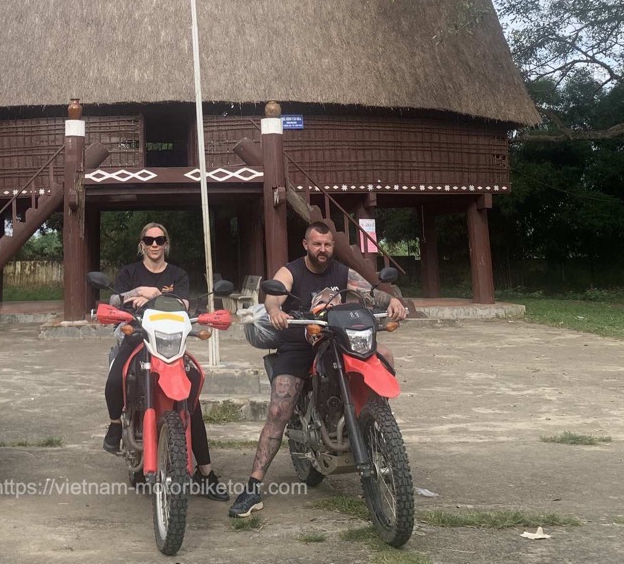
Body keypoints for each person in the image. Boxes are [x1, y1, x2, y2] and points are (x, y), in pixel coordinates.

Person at [229, 221, 407, 518]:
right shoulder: (292, 271)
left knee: (384, 355)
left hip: (336, 339)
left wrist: (393, 301)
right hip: (299, 342)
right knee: (278, 409)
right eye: (317, 244)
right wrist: (275, 312)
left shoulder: (340, 271)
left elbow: (369, 290)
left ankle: (377, 430)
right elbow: (274, 296)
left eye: (327, 245)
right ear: (306, 245)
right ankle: (253, 486)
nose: (322, 250)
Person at [102, 222, 227, 501]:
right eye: (149, 239)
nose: (155, 244)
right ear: (142, 243)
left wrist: (155, 295)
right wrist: (137, 291)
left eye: (160, 239)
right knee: (115, 377)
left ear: (166, 243)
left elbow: (185, 304)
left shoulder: (178, 274)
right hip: (137, 337)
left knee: (191, 397)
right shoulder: (129, 272)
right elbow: (114, 299)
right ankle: (114, 425)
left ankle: (205, 473)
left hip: (172, 342)